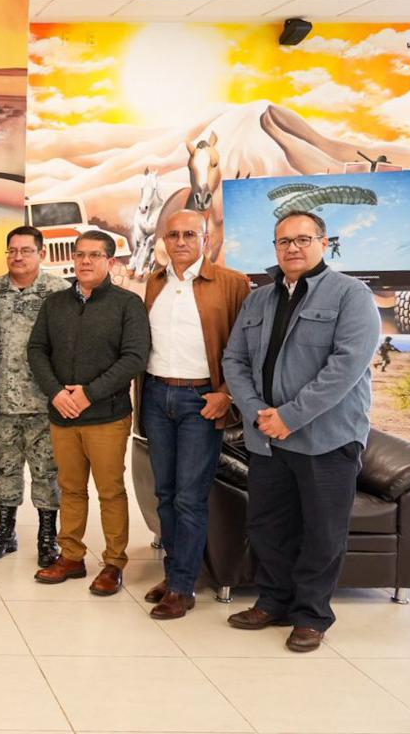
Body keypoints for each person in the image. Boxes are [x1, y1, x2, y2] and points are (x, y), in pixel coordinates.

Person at [222, 210, 379, 652]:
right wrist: (257, 412)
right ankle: (273, 602)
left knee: (322, 532)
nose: (292, 247)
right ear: (275, 248)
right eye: (284, 241)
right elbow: (234, 360)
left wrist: (290, 415)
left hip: (327, 437)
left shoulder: (351, 295)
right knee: (268, 525)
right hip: (267, 438)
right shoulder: (258, 300)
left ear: (324, 243)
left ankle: (311, 615)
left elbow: (345, 367)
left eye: (302, 239)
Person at [141, 210, 249, 619]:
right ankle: (175, 573)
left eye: (190, 234)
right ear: (164, 240)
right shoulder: (154, 282)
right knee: (165, 494)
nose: (181, 241)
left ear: (207, 239)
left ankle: (183, 587)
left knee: (189, 496)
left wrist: (226, 393)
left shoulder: (233, 283)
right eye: (173, 234)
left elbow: (246, 348)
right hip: (156, 396)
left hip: (201, 401)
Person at [29, 231, 149, 594]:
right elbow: (37, 349)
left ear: (110, 262)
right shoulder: (55, 303)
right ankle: (71, 556)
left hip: (107, 416)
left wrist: (89, 394)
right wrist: (56, 393)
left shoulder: (128, 304)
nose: (85, 261)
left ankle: (113, 562)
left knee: (110, 491)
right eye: (80, 254)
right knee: (70, 489)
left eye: (94, 255)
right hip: (63, 415)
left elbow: (134, 358)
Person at [0, 225, 70, 567]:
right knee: (5, 469)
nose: (18, 257)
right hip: (1, 399)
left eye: (26, 250)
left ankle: (48, 538)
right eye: (12, 250)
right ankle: (5, 532)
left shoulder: (59, 292)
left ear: (41, 253)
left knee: (47, 471)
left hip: (45, 401)